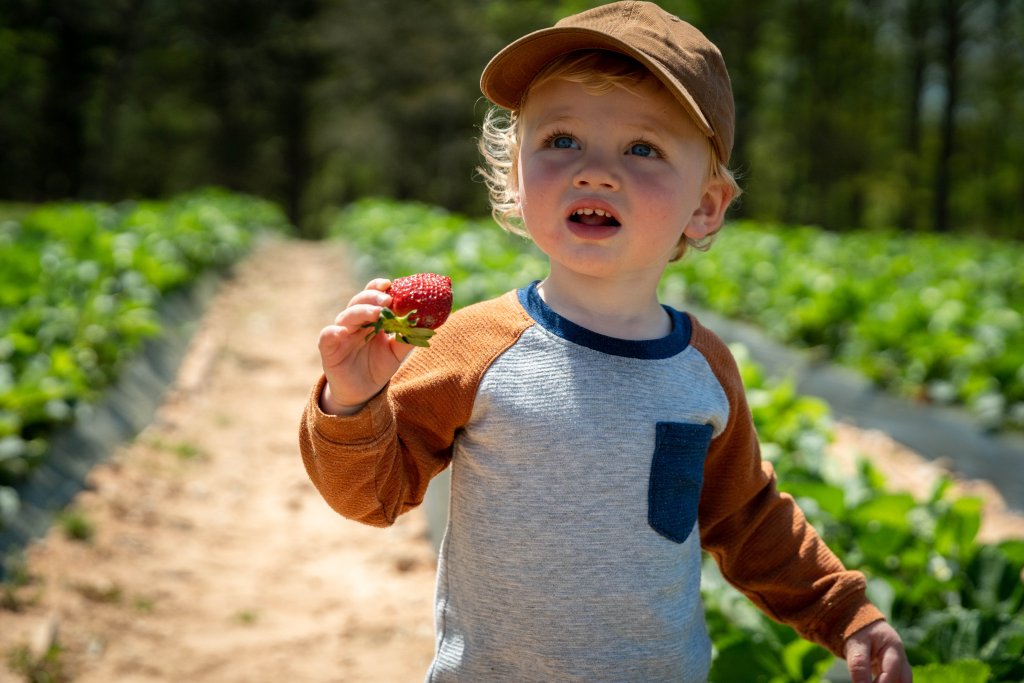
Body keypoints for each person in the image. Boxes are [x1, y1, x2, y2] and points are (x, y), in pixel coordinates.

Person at [299, 2, 912, 681]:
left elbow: (747, 516)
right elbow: (370, 497)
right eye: (561, 140)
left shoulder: (702, 369)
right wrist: (352, 403)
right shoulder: (475, 345)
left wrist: (845, 612)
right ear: (514, 177)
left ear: (706, 206)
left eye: (642, 149)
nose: (594, 170)